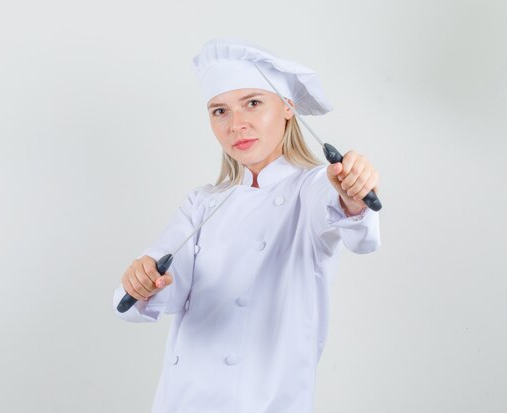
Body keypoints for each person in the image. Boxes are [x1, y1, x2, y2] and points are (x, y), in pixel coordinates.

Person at [112, 38, 381, 413]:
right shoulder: (202, 202)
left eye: (253, 103)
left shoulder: (313, 186)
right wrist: (141, 279)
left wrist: (352, 194)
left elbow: (341, 209)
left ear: (288, 108)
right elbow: (167, 278)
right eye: (219, 111)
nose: (236, 124)